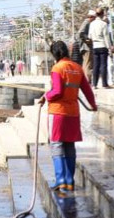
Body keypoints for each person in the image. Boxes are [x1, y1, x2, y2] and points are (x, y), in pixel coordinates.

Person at [38, 40, 97, 193]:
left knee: (57, 145)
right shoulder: (77, 68)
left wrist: (46, 96)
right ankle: (70, 181)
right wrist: (93, 105)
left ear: (55, 54)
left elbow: (57, 91)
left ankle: (61, 180)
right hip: (73, 113)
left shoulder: (58, 68)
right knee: (69, 145)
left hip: (58, 112)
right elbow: (87, 90)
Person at [86, 8, 114, 88]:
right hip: (102, 45)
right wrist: (109, 47)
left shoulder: (92, 24)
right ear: (102, 14)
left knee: (96, 65)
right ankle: (104, 84)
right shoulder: (103, 24)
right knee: (103, 65)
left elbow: (89, 36)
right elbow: (106, 37)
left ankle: (94, 84)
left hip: (95, 46)